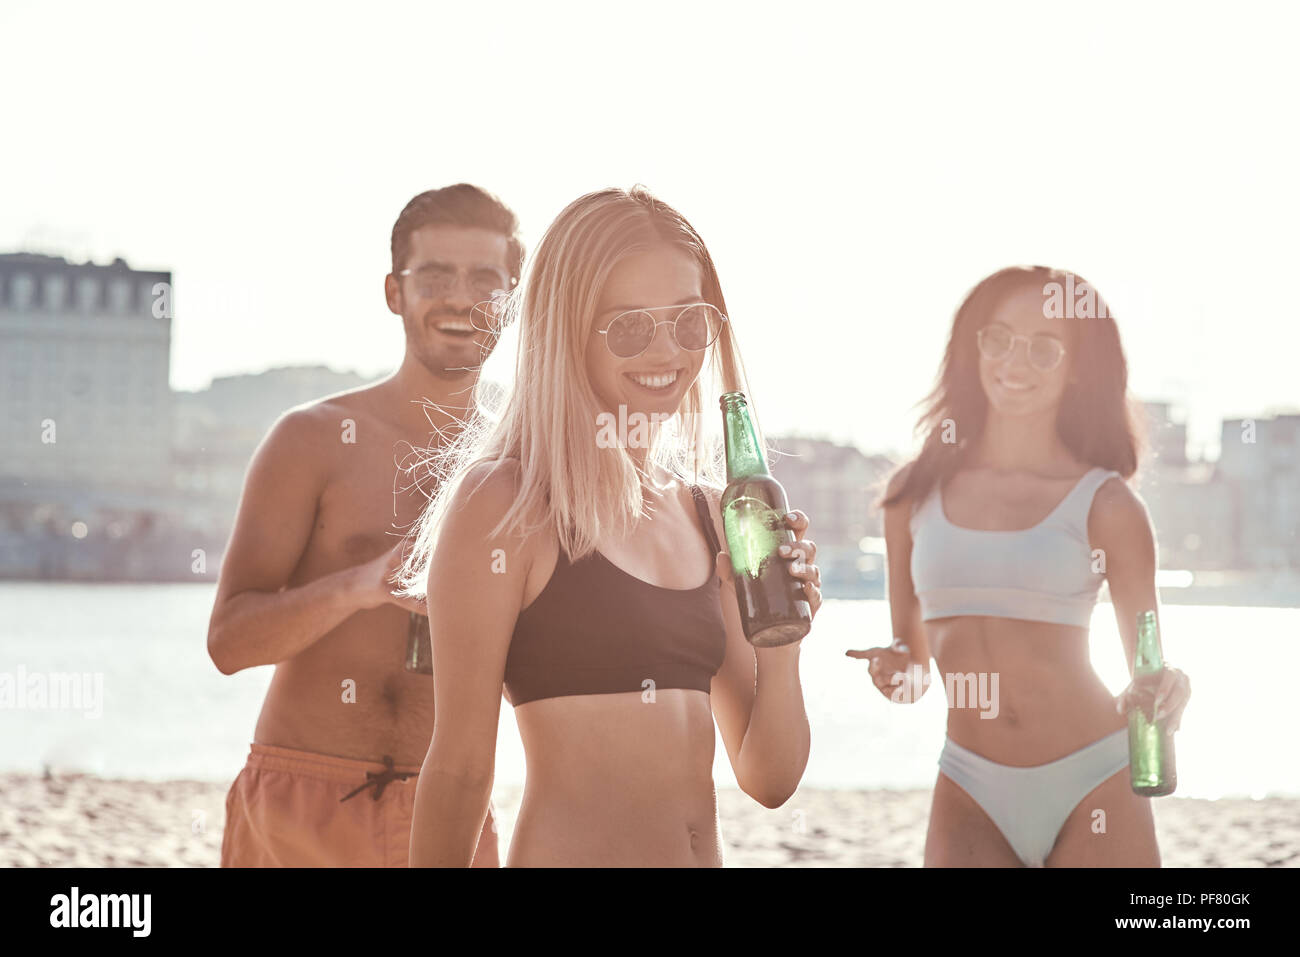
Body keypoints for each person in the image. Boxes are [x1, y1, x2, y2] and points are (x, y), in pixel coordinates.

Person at [396, 185, 821, 867]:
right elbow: (459, 770)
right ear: (566, 332)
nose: (667, 351)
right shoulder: (507, 503)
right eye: (629, 326)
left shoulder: (712, 514)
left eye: (687, 322)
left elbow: (768, 778)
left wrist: (784, 637)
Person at [208, 184, 523, 867]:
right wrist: (362, 583)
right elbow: (228, 643)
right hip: (302, 803)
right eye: (435, 275)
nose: (460, 298)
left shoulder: (529, 460)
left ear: (514, 296)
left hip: (453, 809)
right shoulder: (311, 439)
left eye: (484, 279)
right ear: (393, 291)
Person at [851, 265, 1191, 867]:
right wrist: (893, 667)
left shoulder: (1108, 504)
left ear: (1079, 366)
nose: (1015, 362)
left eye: (1044, 347)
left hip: (1095, 778)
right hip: (969, 784)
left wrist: (1169, 691)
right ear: (972, 346)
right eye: (999, 338)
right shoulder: (912, 496)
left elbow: (1147, 670)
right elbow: (915, 673)